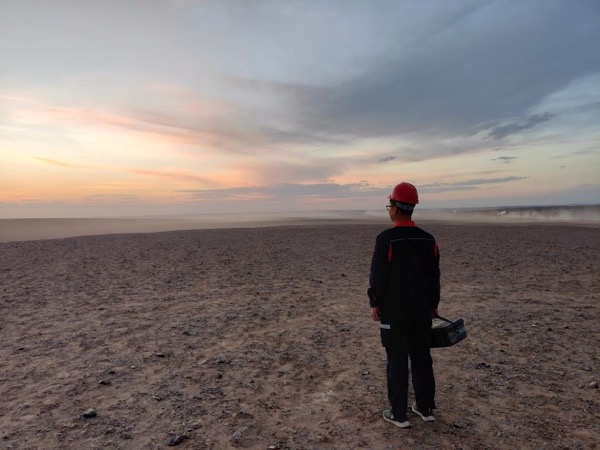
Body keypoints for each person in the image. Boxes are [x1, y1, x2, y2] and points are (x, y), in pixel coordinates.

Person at [367, 182, 440, 429]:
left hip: (395, 312)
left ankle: (398, 414)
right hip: (422, 310)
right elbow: (434, 277)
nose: (389, 209)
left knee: (397, 361)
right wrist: (434, 304)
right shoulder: (428, 240)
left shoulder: (386, 239)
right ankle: (425, 408)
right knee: (422, 358)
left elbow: (378, 275)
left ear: (396, 208)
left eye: (389, 205)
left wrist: (375, 303)